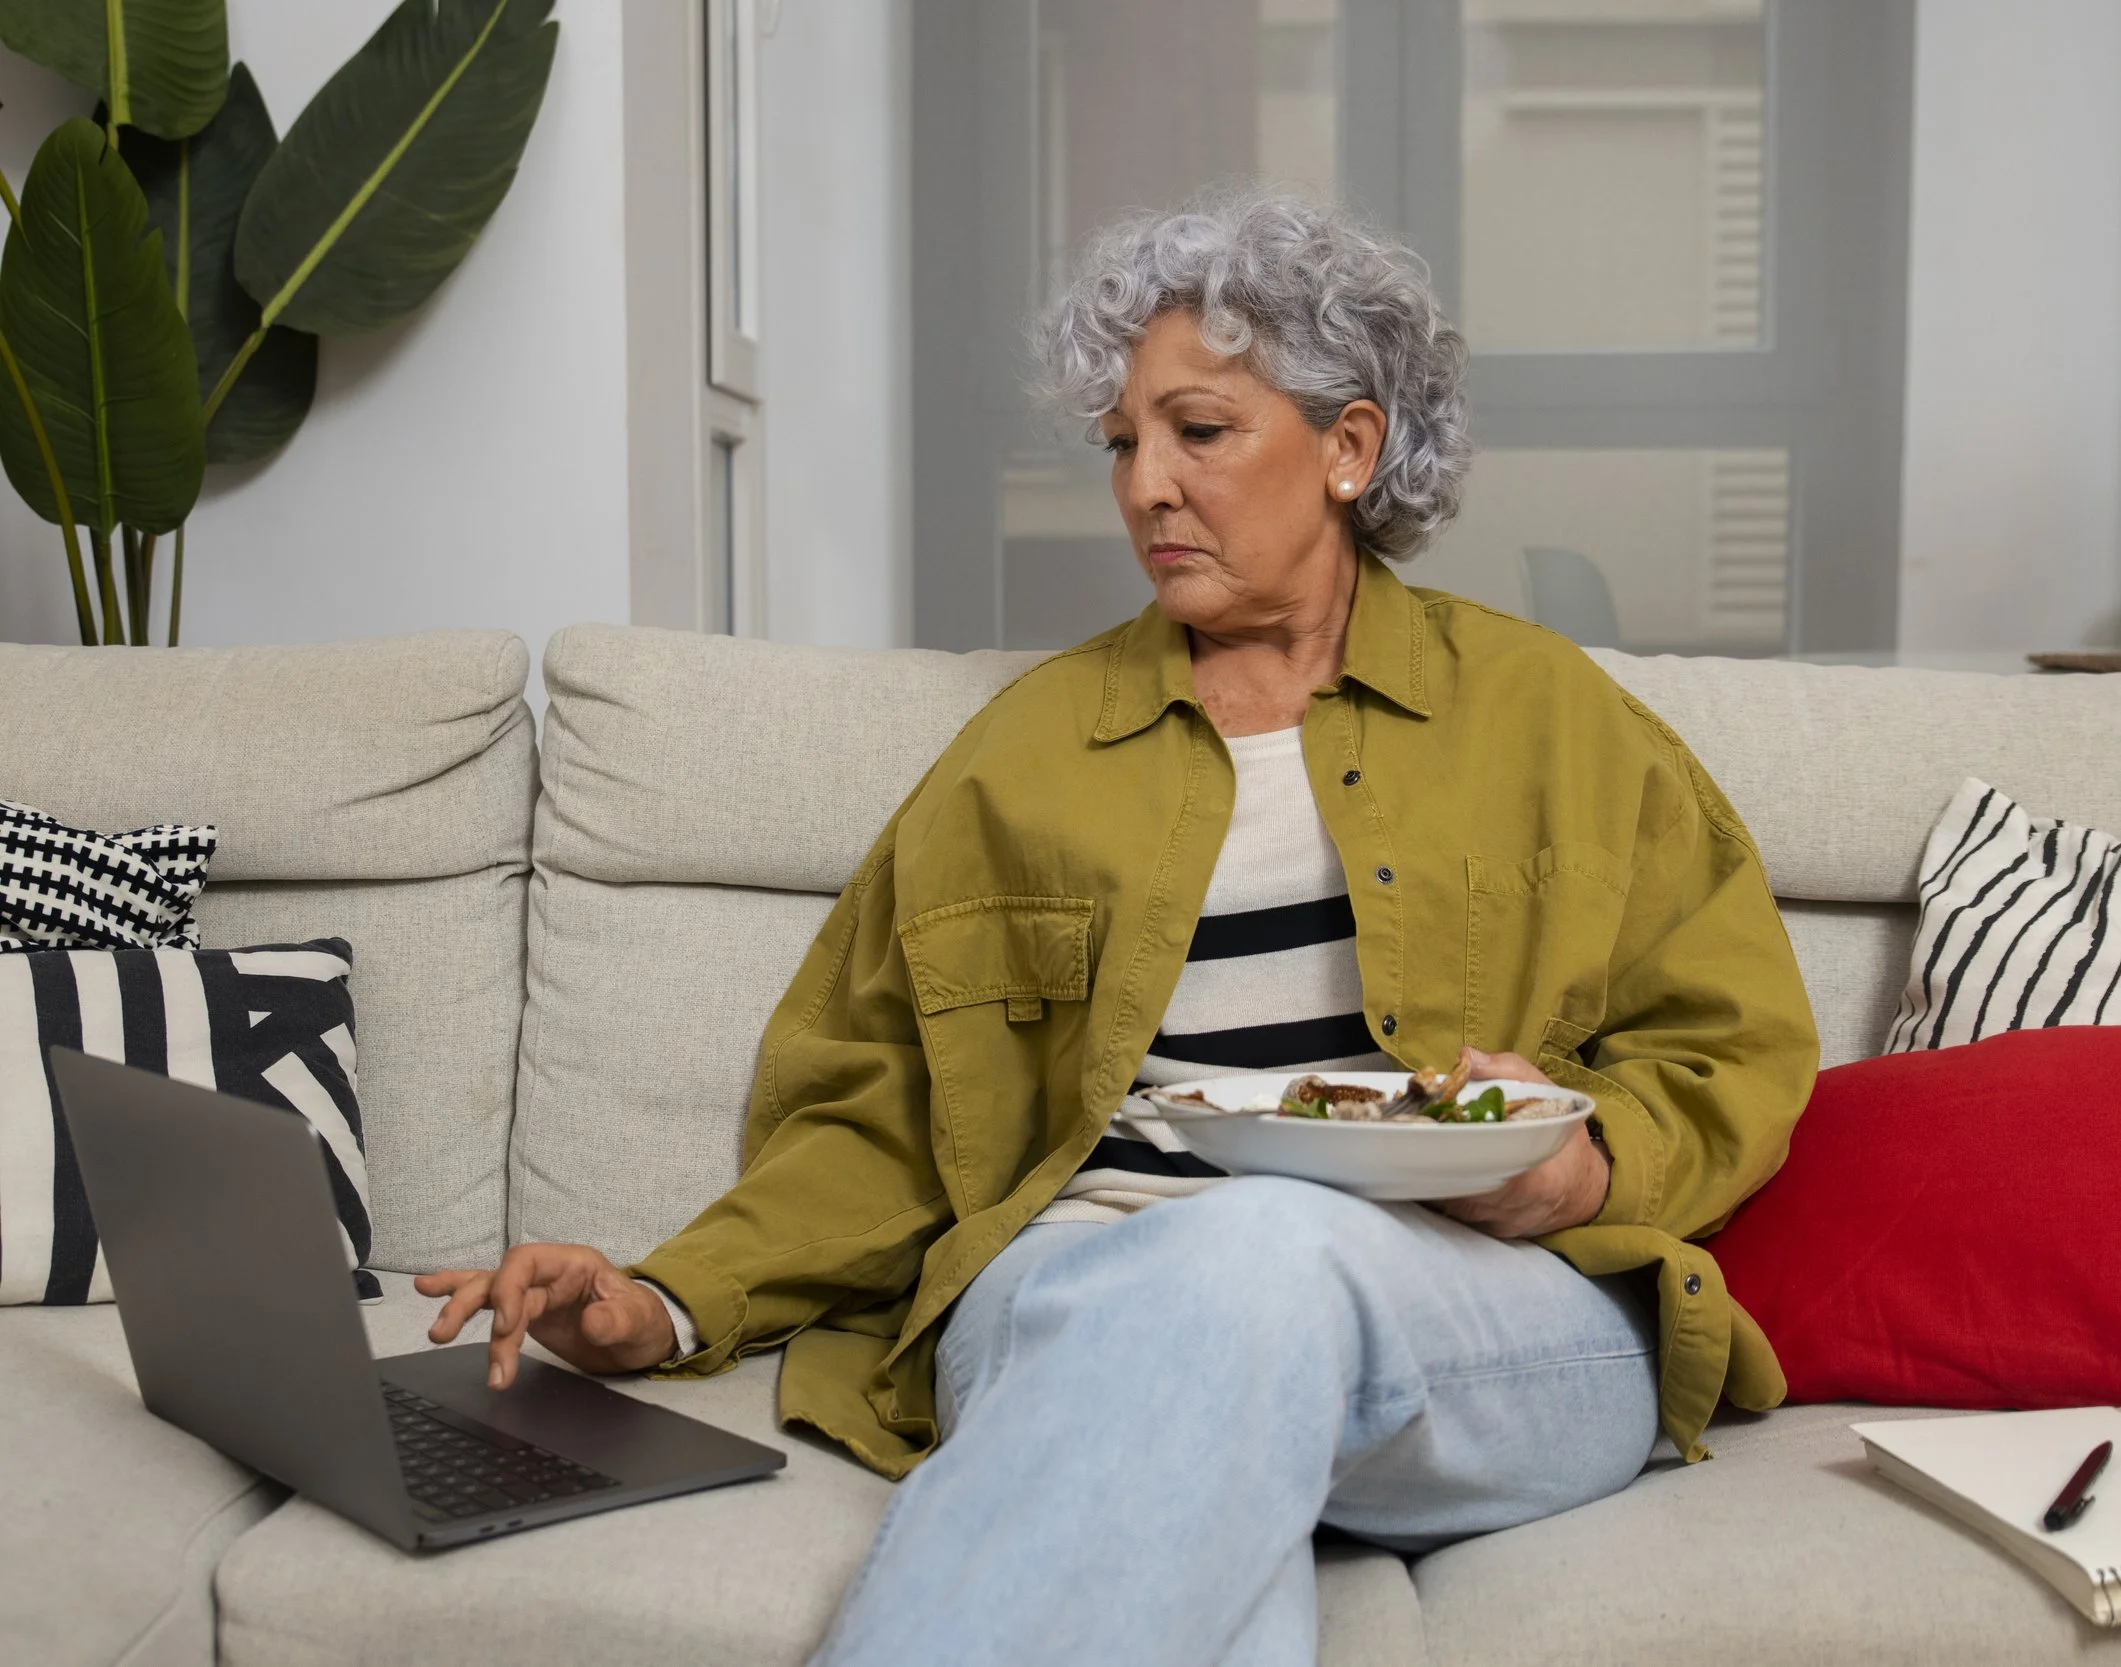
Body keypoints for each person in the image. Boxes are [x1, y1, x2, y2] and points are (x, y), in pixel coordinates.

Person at [418, 188, 1818, 1666]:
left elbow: (1729, 1041)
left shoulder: (1555, 719)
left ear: (1349, 447)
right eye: (1121, 444)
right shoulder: (1024, 755)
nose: (1146, 486)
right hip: (1073, 1287)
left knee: (1262, 1250)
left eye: (1199, 431)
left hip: (1484, 1322)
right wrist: (659, 1299)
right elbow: (888, 1112)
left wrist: (1587, 1161)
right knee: (1208, 1475)